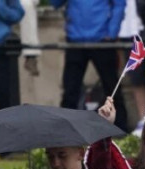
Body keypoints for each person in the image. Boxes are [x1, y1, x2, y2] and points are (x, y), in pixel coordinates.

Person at [50, 0, 128, 131]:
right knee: (70, 90)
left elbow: (119, 4)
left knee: (112, 88)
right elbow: (55, 3)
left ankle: (120, 129)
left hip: (101, 40)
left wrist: (112, 32)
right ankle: (66, 132)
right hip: (76, 39)